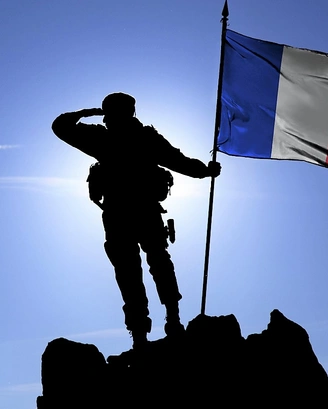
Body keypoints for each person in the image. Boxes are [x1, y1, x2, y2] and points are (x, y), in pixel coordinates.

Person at [52, 92, 221, 349]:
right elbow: (181, 162)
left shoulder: (109, 138)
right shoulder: (132, 137)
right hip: (134, 213)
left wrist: (205, 171)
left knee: (138, 270)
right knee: (147, 267)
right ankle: (160, 325)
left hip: (127, 214)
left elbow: (61, 126)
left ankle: (152, 329)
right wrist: (205, 171)